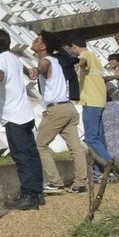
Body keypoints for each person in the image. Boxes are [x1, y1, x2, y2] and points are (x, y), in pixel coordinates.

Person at [0, 28, 43, 211]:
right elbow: (25, 70)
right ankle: (37, 192)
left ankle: (28, 196)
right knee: (32, 154)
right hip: (25, 112)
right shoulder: (13, 57)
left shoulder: (0, 59)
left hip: (13, 115)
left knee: (21, 156)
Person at [32, 31, 87, 195]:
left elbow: (40, 68)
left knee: (40, 145)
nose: (34, 41)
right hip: (68, 108)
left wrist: (33, 71)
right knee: (76, 147)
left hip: (56, 110)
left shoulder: (46, 61)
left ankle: (55, 182)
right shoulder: (56, 60)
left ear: (43, 46)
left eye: (37, 40)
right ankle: (80, 183)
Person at [67, 37, 112, 177]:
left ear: (74, 46)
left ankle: (111, 168)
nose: (70, 51)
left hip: (91, 102)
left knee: (91, 138)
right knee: (96, 138)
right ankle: (102, 171)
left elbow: (83, 61)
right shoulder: (95, 57)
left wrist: (77, 64)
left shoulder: (86, 55)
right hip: (98, 101)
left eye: (70, 48)